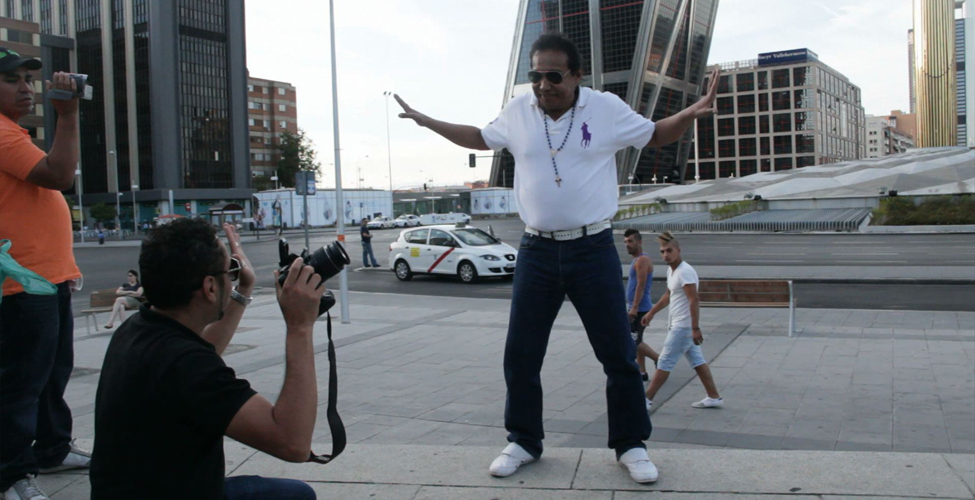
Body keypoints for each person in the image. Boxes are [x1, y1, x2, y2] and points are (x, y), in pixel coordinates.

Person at [395, 33, 719, 484]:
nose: (543, 85)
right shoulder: (518, 111)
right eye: (535, 76)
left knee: (618, 354)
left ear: (576, 75)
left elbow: (656, 134)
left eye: (553, 76)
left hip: (592, 249)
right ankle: (524, 441)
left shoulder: (604, 108)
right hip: (537, 251)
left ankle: (631, 445)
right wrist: (427, 121)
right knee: (521, 354)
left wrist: (688, 113)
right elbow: (480, 137)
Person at [89, 220, 319, 500]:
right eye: (229, 271)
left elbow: (201, 354)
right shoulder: (185, 365)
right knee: (298, 497)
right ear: (210, 287)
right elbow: (293, 443)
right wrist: (300, 326)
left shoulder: (137, 329)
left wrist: (243, 289)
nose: (231, 278)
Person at [0, 47, 89, 500]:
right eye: (11, 80)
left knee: (51, 374)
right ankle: (10, 474)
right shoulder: (1, 133)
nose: (26, 88)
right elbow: (58, 175)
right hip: (22, 282)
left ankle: (52, 448)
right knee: (21, 383)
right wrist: (68, 116)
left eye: (28, 79)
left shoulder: (13, 132)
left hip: (44, 278)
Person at [641, 231, 723, 412]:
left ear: (678, 250)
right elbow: (668, 295)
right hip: (680, 325)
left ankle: (646, 399)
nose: (665, 255)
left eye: (669, 250)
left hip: (683, 327)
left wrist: (695, 328)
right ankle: (713, 397)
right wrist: (652, 312)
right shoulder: (672, 271)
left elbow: (694, 299)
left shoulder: (685, 271)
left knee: (664, 362)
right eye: (662, 252)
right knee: (698, 362)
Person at [623, 229, 659, 381]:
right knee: (637, 339)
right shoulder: (637, 259)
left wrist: (635, 308)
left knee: (633, 341)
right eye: (625, 242)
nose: (627, 244)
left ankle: (659, 359)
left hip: (640, 308)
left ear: (639, 242)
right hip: (636, 307)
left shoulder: (642, 260)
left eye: (630, 241)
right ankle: (642, 372)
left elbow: (641, 284)